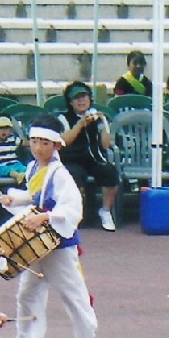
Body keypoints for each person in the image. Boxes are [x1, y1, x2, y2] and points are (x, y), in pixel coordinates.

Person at [0, 115, 99, 338]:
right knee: (27, 294)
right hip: (38, 241)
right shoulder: (33, 168)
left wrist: (47, 216)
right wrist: (15, 200)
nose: (38, 147)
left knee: (72, 294)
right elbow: (35, 198)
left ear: (56, 145)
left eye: (44, 142)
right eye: (34, 141)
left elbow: (73, 207)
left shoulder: (60, 174)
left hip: (58, 242)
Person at [58, 81, 119, 232]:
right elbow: (63, 142)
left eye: (84, 97)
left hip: (94, 158)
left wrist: (104, 124)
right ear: (70, 102)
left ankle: (105, 211)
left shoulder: (96, 117)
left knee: (110, 172)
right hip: (71, 158)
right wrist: (79, 125)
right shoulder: (63, 119)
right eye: (76, 98)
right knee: (75, 176)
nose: (81, 101)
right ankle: (77, 214)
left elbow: (105, 145)